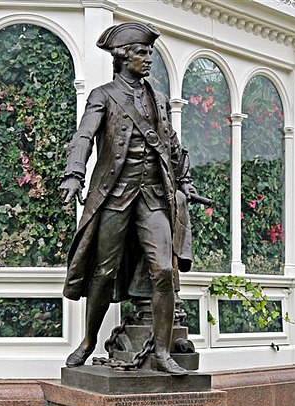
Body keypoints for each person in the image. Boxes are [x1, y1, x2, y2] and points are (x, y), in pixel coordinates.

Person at [61, 22, 199, 375]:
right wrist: (75, 174)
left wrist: (185, 181)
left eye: (149, 52)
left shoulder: (159, 98)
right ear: (123, 58)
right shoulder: (103, 95)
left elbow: (170, 145)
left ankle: (163, 352)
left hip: (153, 196)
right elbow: (83, 137)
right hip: (116, 195)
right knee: (104, 273)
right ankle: (89, 341)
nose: (148, 58)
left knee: (164, 271)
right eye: (141, 52)